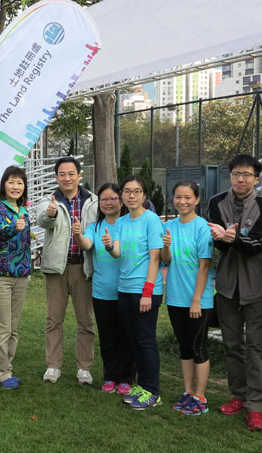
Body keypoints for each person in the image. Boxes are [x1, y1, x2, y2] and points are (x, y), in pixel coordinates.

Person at [207, 154, 262, 431]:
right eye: (236, 174)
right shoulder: (216, 203)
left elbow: (257, 243)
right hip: (227, 286)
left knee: (255, 347)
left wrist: (233, 237)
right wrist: (222, 239)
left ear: (256, 179)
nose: (240, 179)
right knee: (231, 344)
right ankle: (238, 395)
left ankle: (254, 406)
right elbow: (220, 245)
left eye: (246, 174)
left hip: (256, 286)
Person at [101, 175, 164, 410]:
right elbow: (117, 253)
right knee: (133, 340)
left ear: (144, 195)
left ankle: (153, 391)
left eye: (137, 191)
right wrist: (109, 245)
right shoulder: (122, 222)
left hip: (145, 290)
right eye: (127, 191)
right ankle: (141, 386)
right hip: (125, 289)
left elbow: (155, 258)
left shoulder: (152, 220)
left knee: (146, 342)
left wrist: (147, 292)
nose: (132, 195)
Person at [35, 156, 97, 385]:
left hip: (84, 268)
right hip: (57, 269)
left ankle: (84, 368)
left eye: (71, 173)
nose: (67, 178)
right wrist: (50, 213)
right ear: (56, 177)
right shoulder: (49, 200)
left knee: (86, 321)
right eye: (62, 174)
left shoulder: (92, 201)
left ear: (79, 175)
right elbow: (42, 220)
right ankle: (53, 366)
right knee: (54, 319)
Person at [161, 181, 215, 416]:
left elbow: (204, 267)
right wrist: (166, 247)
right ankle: (188, 392)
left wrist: (196, 300)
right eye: (178, 197)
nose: (182, 202)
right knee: (184, 347)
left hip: (198, 300)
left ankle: (200, 397)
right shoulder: (168, 226)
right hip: (175, 298)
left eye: (188, 197)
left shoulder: (203, 228)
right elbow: (166, 260)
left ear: (197, 199)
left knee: (198, 347)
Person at [76, 183, 133, 395]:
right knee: (107, 337)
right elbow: (86, 245)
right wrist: (78, 234)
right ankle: (110, 376)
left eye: (112, 198)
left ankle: (127, 378)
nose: (108, 203)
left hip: (127, 290)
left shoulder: (128, 225)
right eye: (103, 199)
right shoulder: (95, 226)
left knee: (126, 335)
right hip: (101, 291)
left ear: (121, 201)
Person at [0, 166, 31, 389]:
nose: (15, 187)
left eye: (20, 183)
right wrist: (13, 227)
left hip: (20, 275)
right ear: (4, 184)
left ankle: (7, 368)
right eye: (11, 182)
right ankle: (1, 373)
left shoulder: (24, 210)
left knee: (13, 328)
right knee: (3, 327)